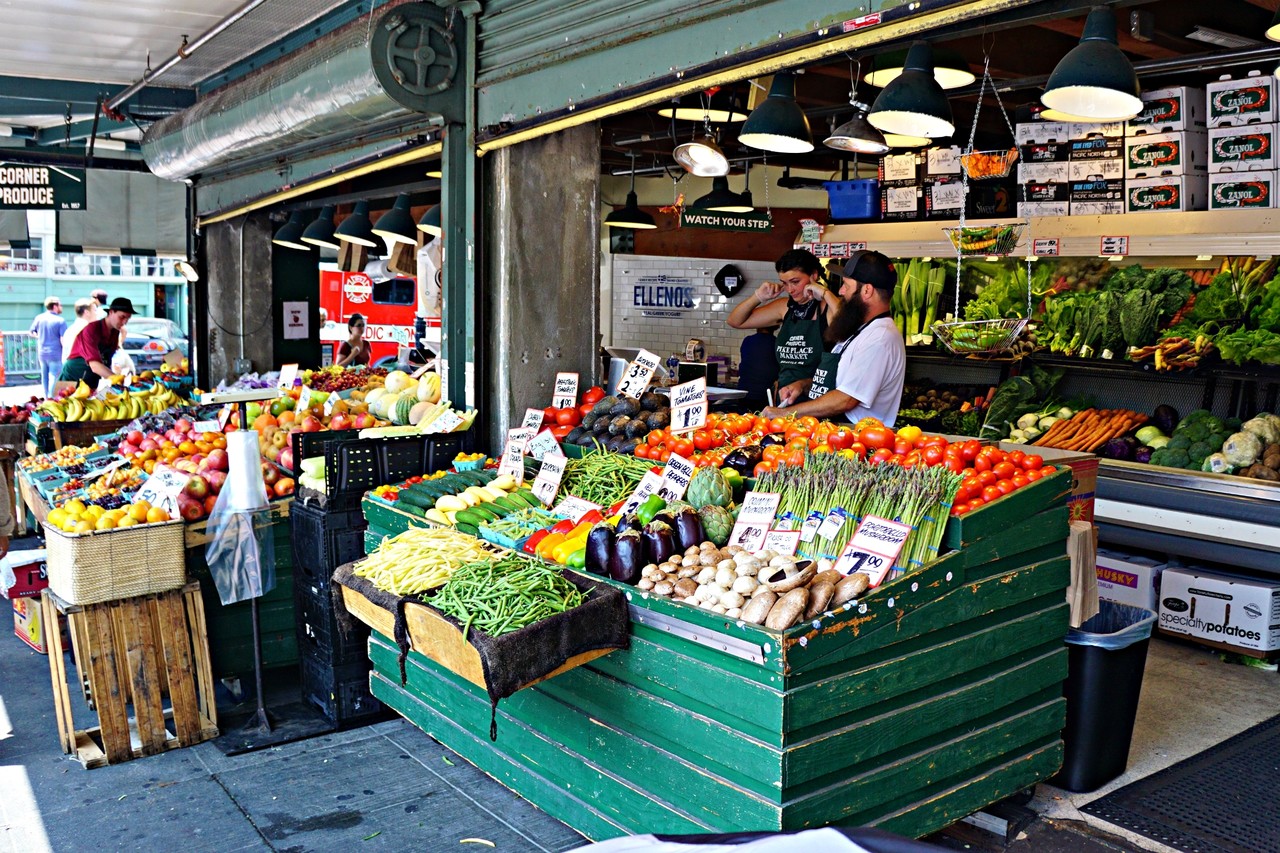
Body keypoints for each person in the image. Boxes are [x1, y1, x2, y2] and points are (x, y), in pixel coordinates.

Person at [761, 251, 905, 427]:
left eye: (846, 286)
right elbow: (841, 384)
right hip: (836, 432)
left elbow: (845, 399)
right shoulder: (863, 330)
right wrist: (803, 385)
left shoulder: (879, 338)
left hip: (856, 436)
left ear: (867, 290)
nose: (841, 291)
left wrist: (785, 413)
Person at [726, 249, 840, 403]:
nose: (790, 289)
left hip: (819, 400)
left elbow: (849, 326)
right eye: (785, 283)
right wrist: (758, 297)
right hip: (784, 400)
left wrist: (825, 293)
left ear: (813, 276)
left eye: (795, 282)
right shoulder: (784, 307)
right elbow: (735, 321)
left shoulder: (829, 308)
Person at [60, 297, 134, 391]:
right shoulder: (91, 329)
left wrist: (114, 379)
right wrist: (119, 381)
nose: (124, 322)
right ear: (111, 312)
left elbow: (106, 360)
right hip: (73, 377)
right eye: (122, 317)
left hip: (92, 378)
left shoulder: (115, 332)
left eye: (127, 318)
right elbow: (95, 365)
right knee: (64, 399)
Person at [29, 296, 67, 397]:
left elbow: (31, 332)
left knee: (44, 377)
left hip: (42, 353)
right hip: (55, 353)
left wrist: (39, 337)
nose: (61, 307)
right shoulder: (60, 321)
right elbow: (63, 339)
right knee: (54, 377)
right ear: (55, 306)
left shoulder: (39, 318)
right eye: (60, 305)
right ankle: (51, 398)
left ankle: (46, 398)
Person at [736, 325, 779, 410]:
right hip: (765, 395)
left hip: (744, 393)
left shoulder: (748, 341)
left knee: (744, 417)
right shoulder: (777, 343)